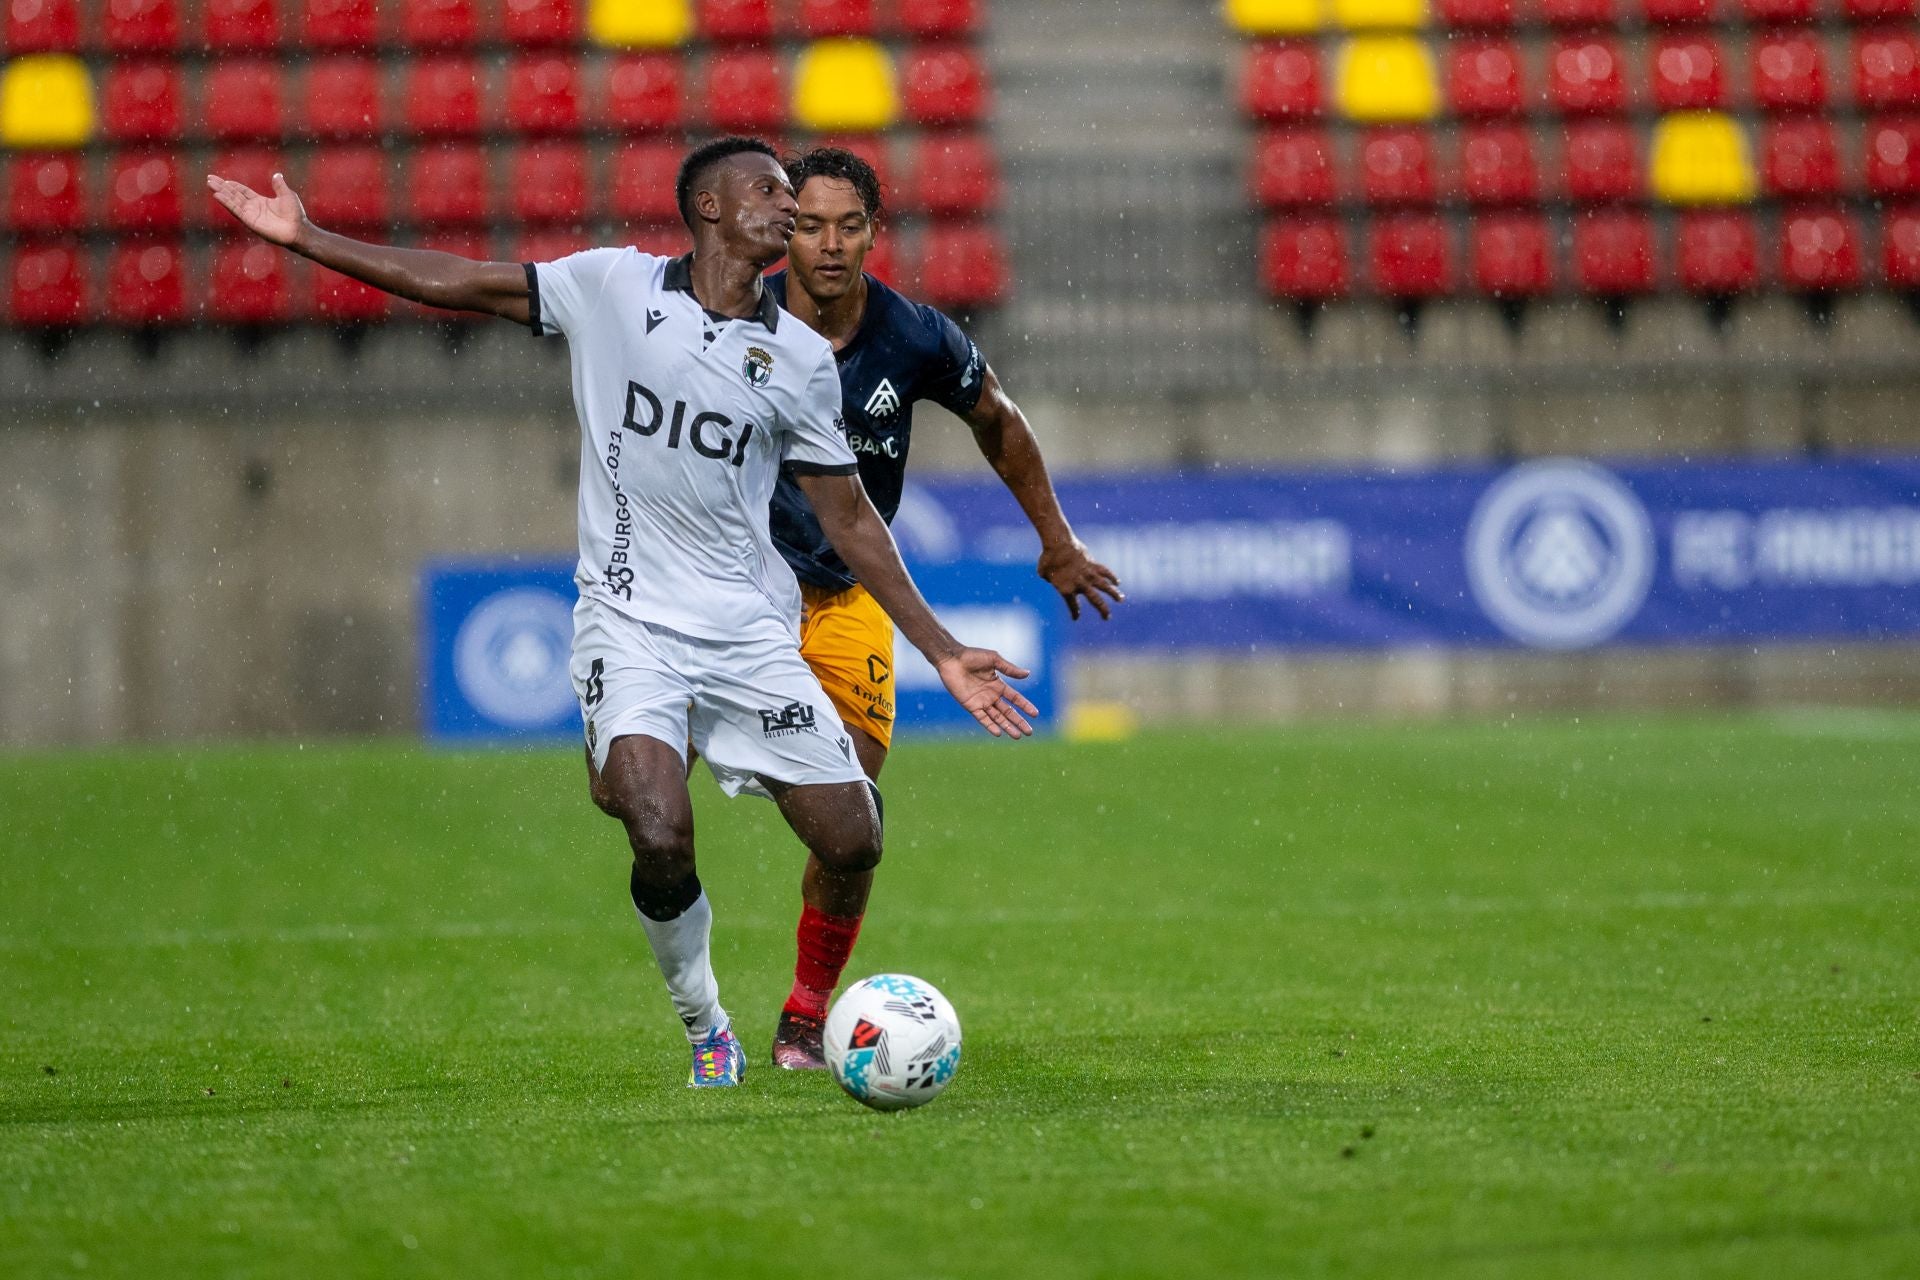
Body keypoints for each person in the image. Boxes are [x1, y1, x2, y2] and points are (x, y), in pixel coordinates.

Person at [206, 136, 1038, 1089]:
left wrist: (942, 650)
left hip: (748, 633)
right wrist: (311, 239)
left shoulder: (800, 359)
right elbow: (464, 282)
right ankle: (708, 1026)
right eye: (770, 191)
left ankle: (666, 785)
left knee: (855, 838)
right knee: (657, 826)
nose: (790, 208)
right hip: (629, 619)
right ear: (711, 207)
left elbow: (850, 518)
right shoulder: (611, 287)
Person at [761, 146, 1124, 1070]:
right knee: (648, 808)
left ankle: (805, 1014)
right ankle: (694, 1000)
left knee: (854, 827)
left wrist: (1056, 540)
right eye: (811, 226)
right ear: (784, 232)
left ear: (873, 234)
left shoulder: (915, 336)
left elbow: (998, 417)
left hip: (846, 596)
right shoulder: (732, 321)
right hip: (729, 591)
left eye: (849, 226)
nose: (830, 245)